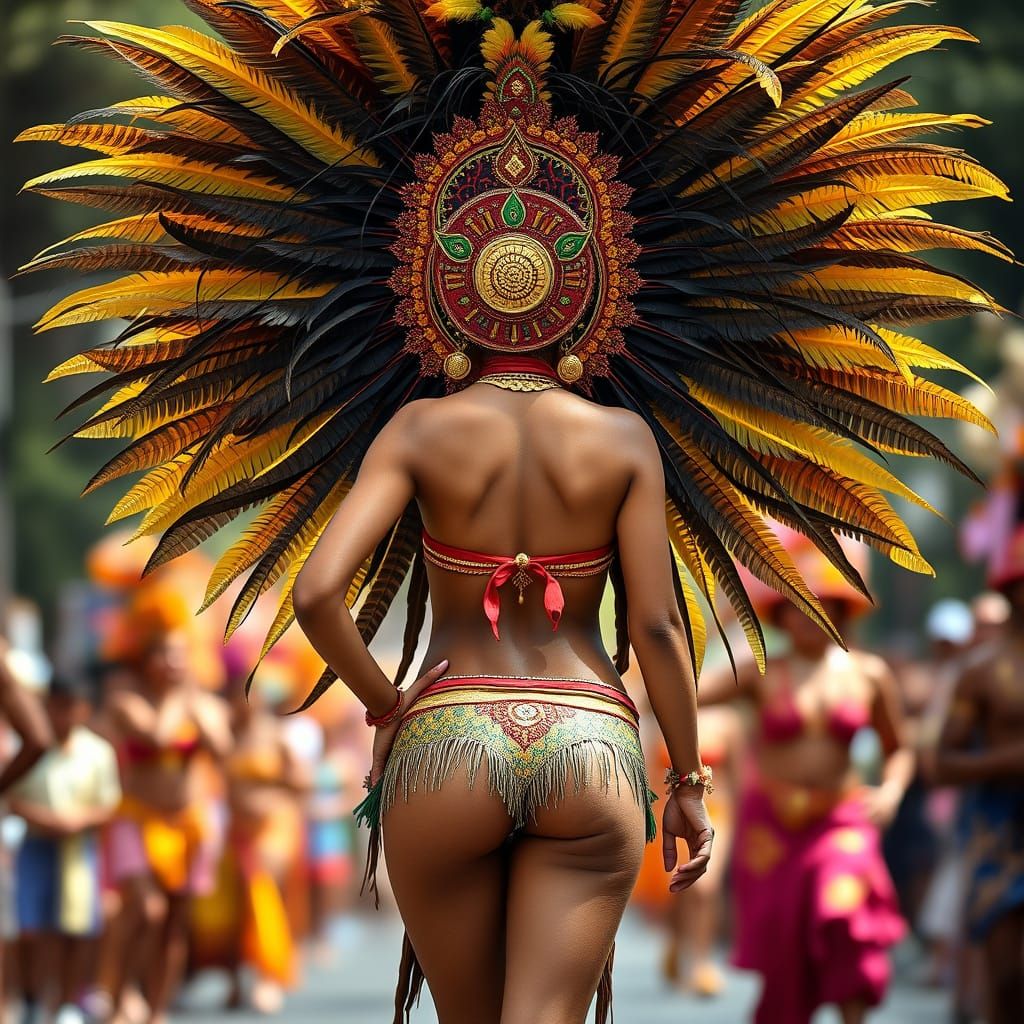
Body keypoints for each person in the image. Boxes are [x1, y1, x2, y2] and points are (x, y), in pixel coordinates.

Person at [18, 1, 1005, 1022]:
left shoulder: (414, 432)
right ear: (596, 299)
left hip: (447, 735)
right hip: (587, 738)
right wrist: (688, 782)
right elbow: (659, 628)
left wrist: (386, 704)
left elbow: (318, 591)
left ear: (439, 298)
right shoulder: (623, 441)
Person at [698, 533, 911, 1024]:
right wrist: (716, 624)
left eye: (818, 605)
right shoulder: (757, 671)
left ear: (839, 611)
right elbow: (684, 694)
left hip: (842, 820)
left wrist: (893, 791)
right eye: (795, 606)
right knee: (786, 948)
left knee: (845, 916)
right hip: (770, 826)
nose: (806, 616)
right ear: (781, 614)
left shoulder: (870, 674)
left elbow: (899, 750)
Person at [102, 605, 231, 1024]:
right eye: (165, 654)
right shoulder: (127, 699)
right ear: (147, 660)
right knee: (145, 909)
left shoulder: (203, 705)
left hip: (189, 822)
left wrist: (197, 704)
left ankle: (157, 1010)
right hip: (137, 818)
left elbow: (222, 747)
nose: (174, 662)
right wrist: (183, 696)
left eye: (181, 654)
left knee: (174, 922)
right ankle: (118, 996)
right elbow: (155, 735)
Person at [935, 527, 1024, 1024]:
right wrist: (1005, 762)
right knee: (1007, 972)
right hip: (999, 832)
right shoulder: (981, 671)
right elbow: (941, 765)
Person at [8, 675, 120, 1024]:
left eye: (71, 708)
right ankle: (31, 996)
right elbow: (12, 797)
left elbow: (109, 804)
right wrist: (44, 820)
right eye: (57, 708)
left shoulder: (98, 752)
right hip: (34, 845)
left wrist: (75, 822)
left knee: (75, 926)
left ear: (84, 710)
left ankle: (68, 1003)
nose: (63, 717)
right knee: (29, 928)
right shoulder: (30, 750)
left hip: (77, 847)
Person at [221, 671, 310, 1014]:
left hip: (275, 827)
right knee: (236, 902)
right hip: (237, 830)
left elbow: (302, 782)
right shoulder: (227, 737)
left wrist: (272, 790)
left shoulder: (277, 736)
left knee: (261, 889)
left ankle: (267, 977)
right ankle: (236, 980)